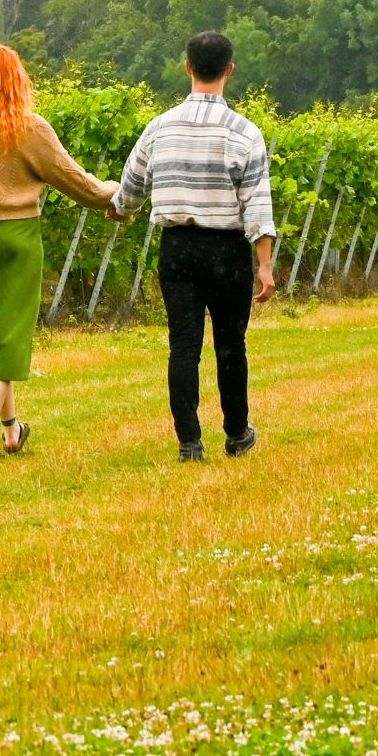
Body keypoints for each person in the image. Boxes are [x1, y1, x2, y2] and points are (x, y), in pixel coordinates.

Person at [0, 45, 119, 459]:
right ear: (19, 81)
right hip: (16, 240)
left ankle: (12, 431)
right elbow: (71, 178)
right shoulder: (29, 128)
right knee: (7, 340)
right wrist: (114, 196)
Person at [110, 30, 277, 462]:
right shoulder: (245, 133)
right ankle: (237, 432)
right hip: (227, 250)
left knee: (183, 344)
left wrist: (118, 209)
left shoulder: (159, 127)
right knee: (230, 344)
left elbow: (130, 189)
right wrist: (264, 265)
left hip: (177, 247)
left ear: (187, 67)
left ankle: (189, 441)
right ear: (230, 70)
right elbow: (257, 204)